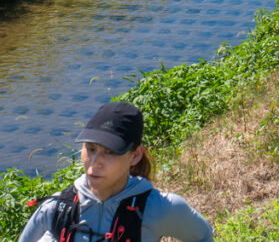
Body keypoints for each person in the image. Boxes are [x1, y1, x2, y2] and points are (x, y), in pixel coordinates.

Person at [19, 102, 213, 242]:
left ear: (135, 155)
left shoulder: (158, 208)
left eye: (109, 152)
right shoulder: (57, 209)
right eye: (91, 149)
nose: (95, 163)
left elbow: (203, 235)